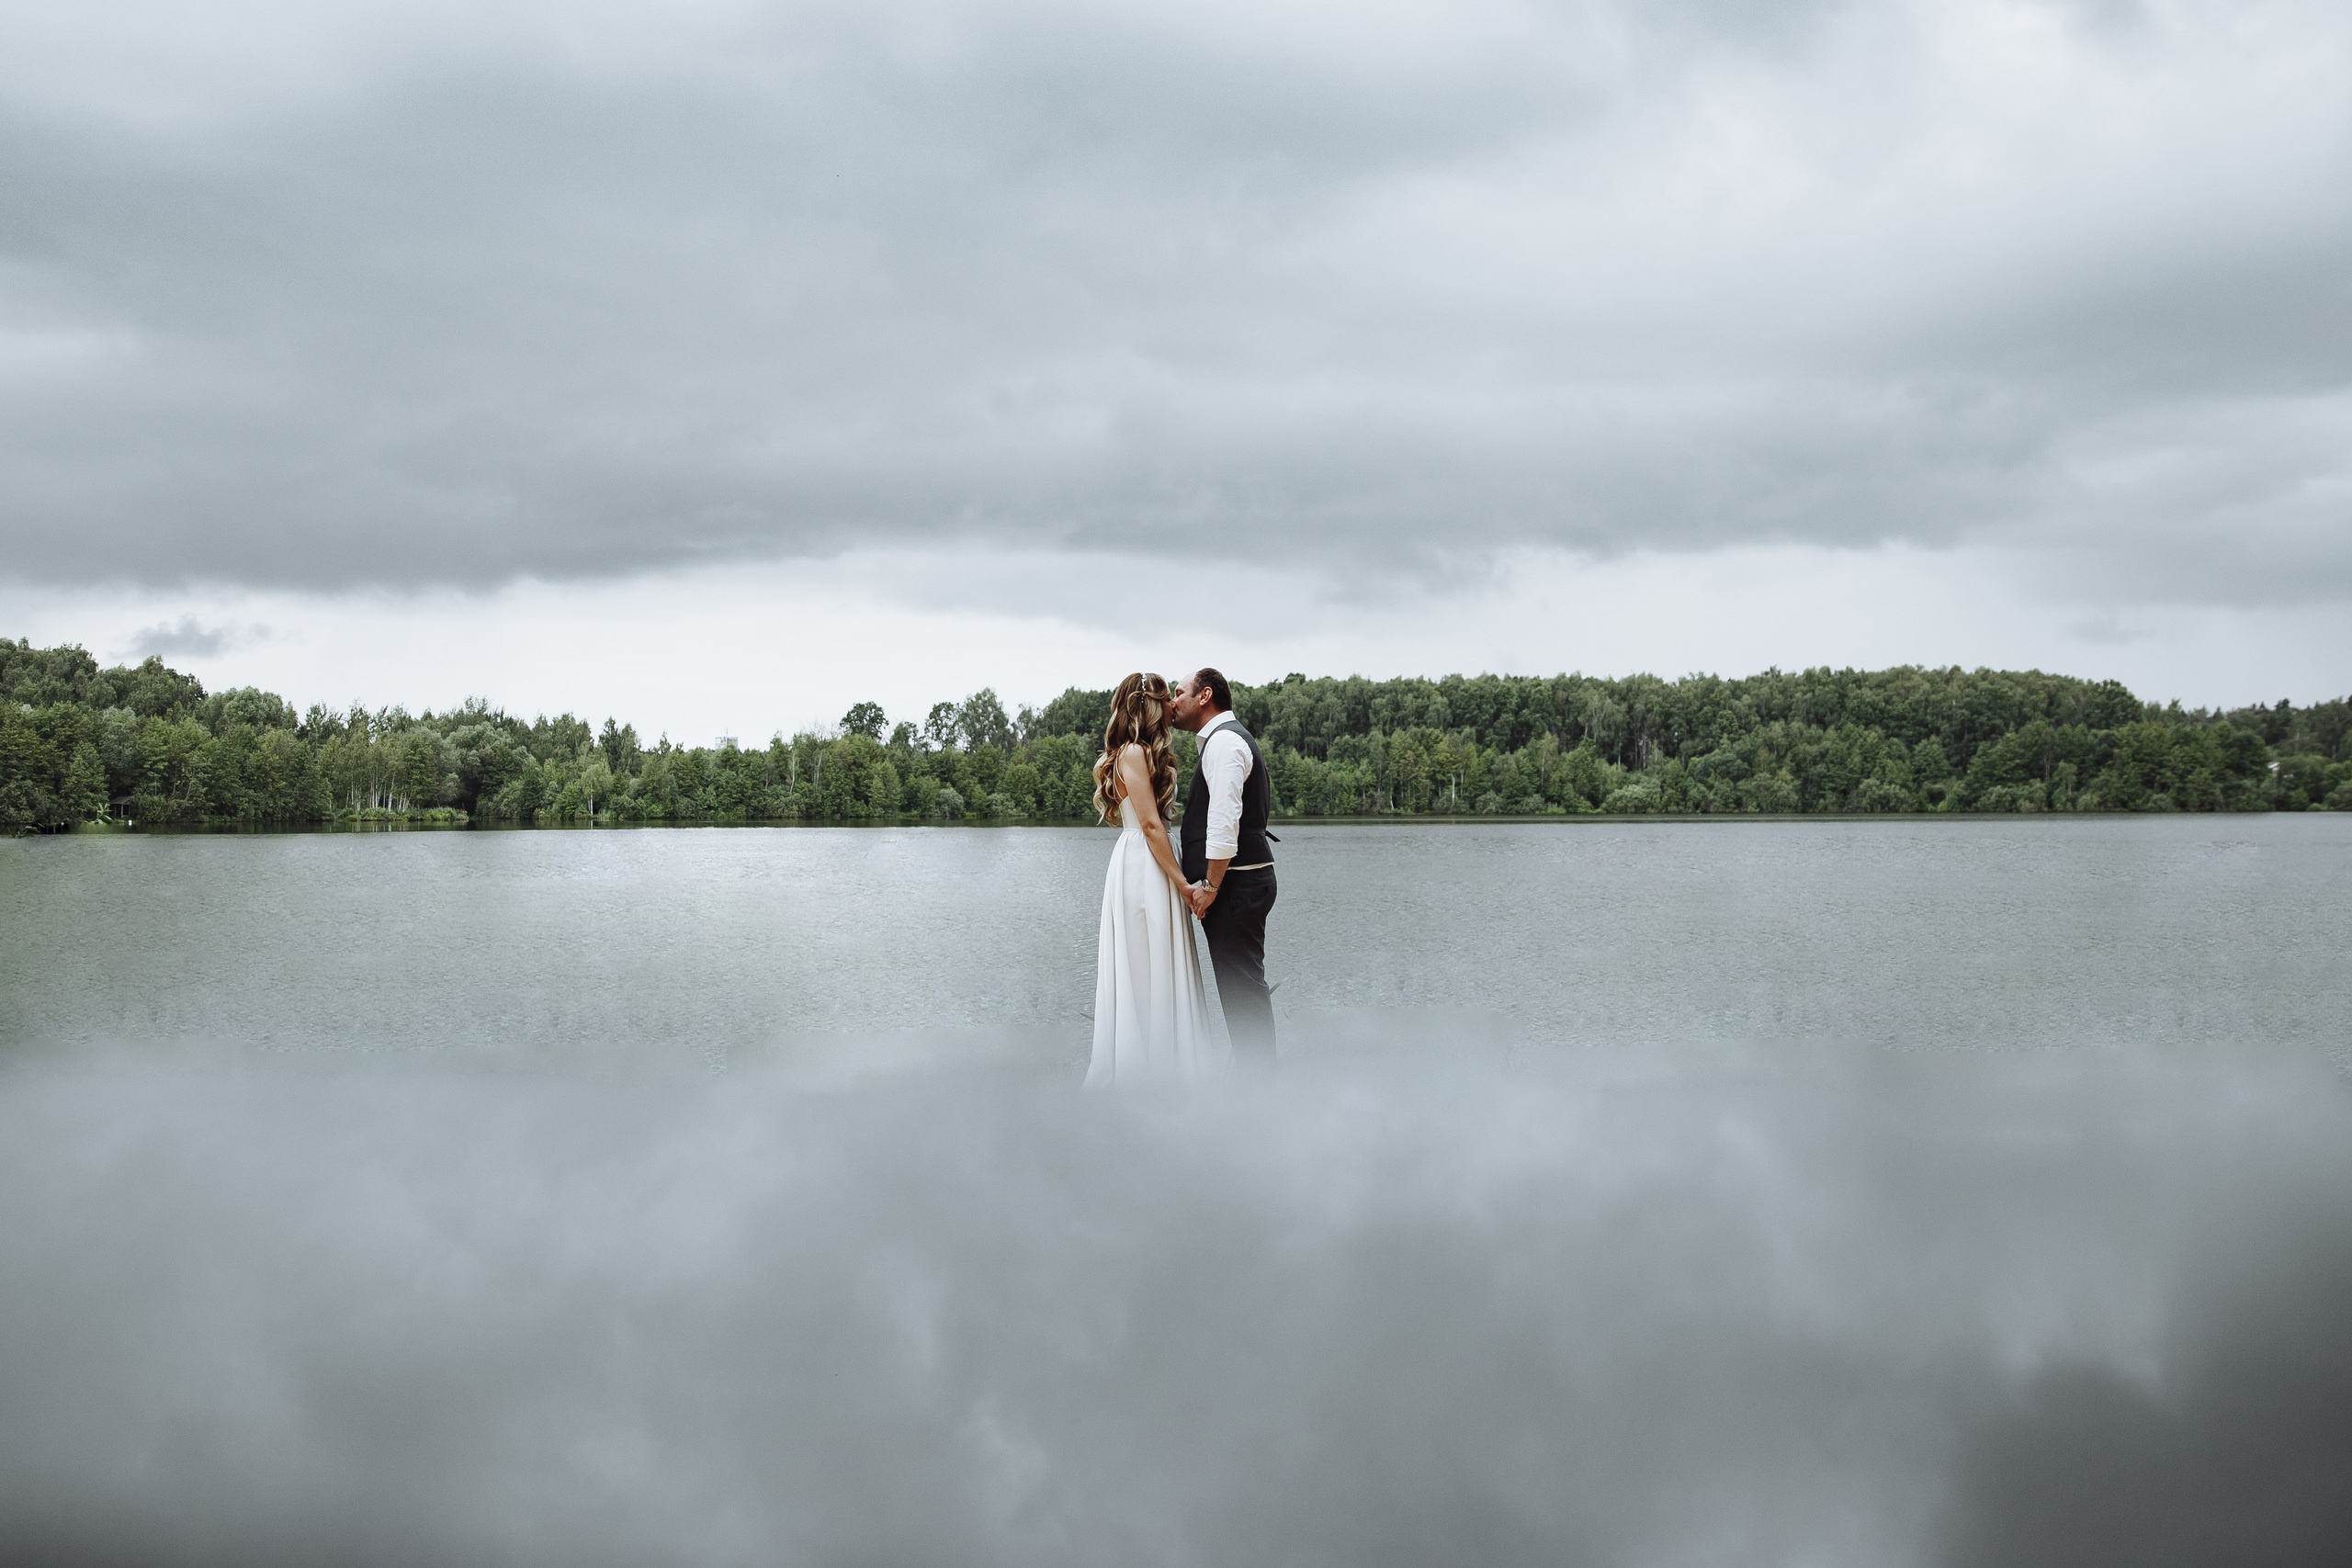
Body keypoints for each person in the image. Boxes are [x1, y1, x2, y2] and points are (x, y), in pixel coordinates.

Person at [1084, 672, 1220, 1083]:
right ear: (1149, 705)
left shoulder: (1144, 752)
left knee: (1160, 957)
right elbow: (1148, 824)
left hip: (1153, 857)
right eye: (1166, 699)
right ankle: (1146, 1070)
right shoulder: (1131, 753)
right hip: (1143, 863)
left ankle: (1170, 1064)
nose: (1172, 706)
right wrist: (1183, 884)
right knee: (1145, 961)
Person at [1170, 667, 1278, 1061]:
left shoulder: (1224, 743)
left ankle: (1258, 1080)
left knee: (1242, 991)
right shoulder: (1223, 740)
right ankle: (1258, 1073)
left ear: (1204, 696)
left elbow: (1223, 823)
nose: (1172, 702)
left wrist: (1210, 887)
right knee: (1243, 989)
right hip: (1238, 885)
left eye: (1178, 693)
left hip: (1234, 887)